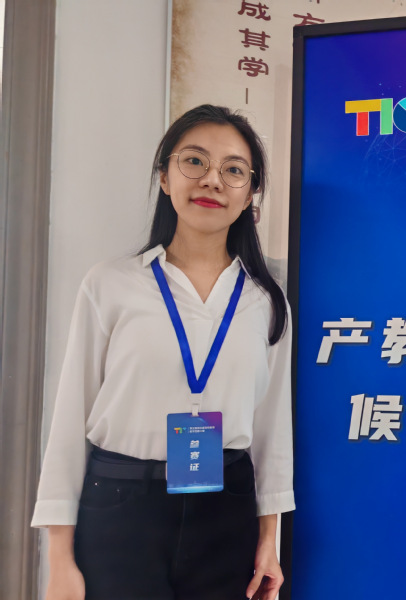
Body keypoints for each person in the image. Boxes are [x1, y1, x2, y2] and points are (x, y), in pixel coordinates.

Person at [31, 104, 294, 600]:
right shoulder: (110, 285)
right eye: (194, 161)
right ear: (165, 177)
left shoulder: (265, 301)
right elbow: (69, 419)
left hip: (227, 509)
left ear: (250, 195)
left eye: (234, 170)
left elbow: (271, 430)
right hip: (121, 507)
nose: (212, 180)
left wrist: (268, 540)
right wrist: (59, 560)